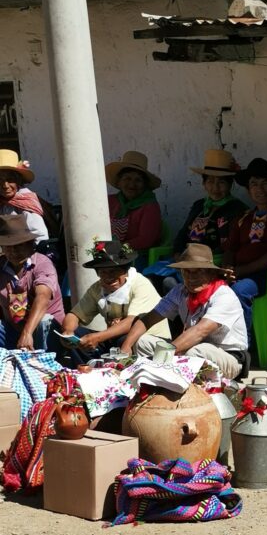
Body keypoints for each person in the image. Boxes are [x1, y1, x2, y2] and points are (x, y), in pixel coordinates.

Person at [121, 243, 248, 379]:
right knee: (142, 342)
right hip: (190, 349)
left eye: (198, 271)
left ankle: (167, 378)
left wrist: (160, 356)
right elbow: (148, 319)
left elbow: (200, 331)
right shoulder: (180, 291)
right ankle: (155, 379)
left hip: (227, 357)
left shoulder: (224, 295)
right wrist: (126, 347)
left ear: (211, 273)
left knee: (195, 352)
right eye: (186, 271)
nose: (191, 277)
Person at [48, 238, 169, 365]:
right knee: (79, 335)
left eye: (113, 271)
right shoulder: (97, 288)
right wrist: (68, 332)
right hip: (114, 339)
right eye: (103, 272)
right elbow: (74, 315)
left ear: (124, 270)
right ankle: (89, 372)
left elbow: (131, 323)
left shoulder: (140, 284)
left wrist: (98, 337)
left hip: (146, 340)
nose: (108, 277)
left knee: (123, 339)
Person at [149, 149, 247, 293]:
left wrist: (196, 261)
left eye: (221, 182)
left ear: (230, 184)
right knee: (151, 278)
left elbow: (229, 245)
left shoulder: (237, 209)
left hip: (210, 263)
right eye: (210, 181)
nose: (215, 187)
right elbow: (183, 233)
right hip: (185, 260)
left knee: (169, 283)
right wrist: (178, 253)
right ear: (204, 183)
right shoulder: (199, 205)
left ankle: (181, 311)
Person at [223, 157, 267, 336]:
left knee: (239, 291)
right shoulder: (243, 218)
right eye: (254, 184)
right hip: (240, 272)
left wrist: (242, 271)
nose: (259, 189)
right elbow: (230, 248)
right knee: (209, 290)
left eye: (265, 183)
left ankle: (241, 346)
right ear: (248, 190)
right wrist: (227, 269)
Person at [0, 214, 64, 350]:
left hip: (45, 330)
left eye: (18, 246)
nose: (13, 251)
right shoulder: (2, 266)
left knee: (44, 321)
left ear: (30, 245)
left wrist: (27, 333)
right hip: (14, 329)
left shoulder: (41, 263)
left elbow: (43, 296)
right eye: (8, 247)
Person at [105, 150, 163, 254]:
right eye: (127, 178)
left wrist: (115, 249)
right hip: (108, 252)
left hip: (136, 255)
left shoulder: (150, 206)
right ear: (119, 182)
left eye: (138, 180)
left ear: (145, 185)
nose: (132, 184)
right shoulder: (110, 201)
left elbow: (145, 240)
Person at [0, 149, 49, 243]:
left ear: (18, 180)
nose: (5, 186)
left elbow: (39, 234)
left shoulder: (26, 201)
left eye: (10, 180)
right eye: (0, 180)